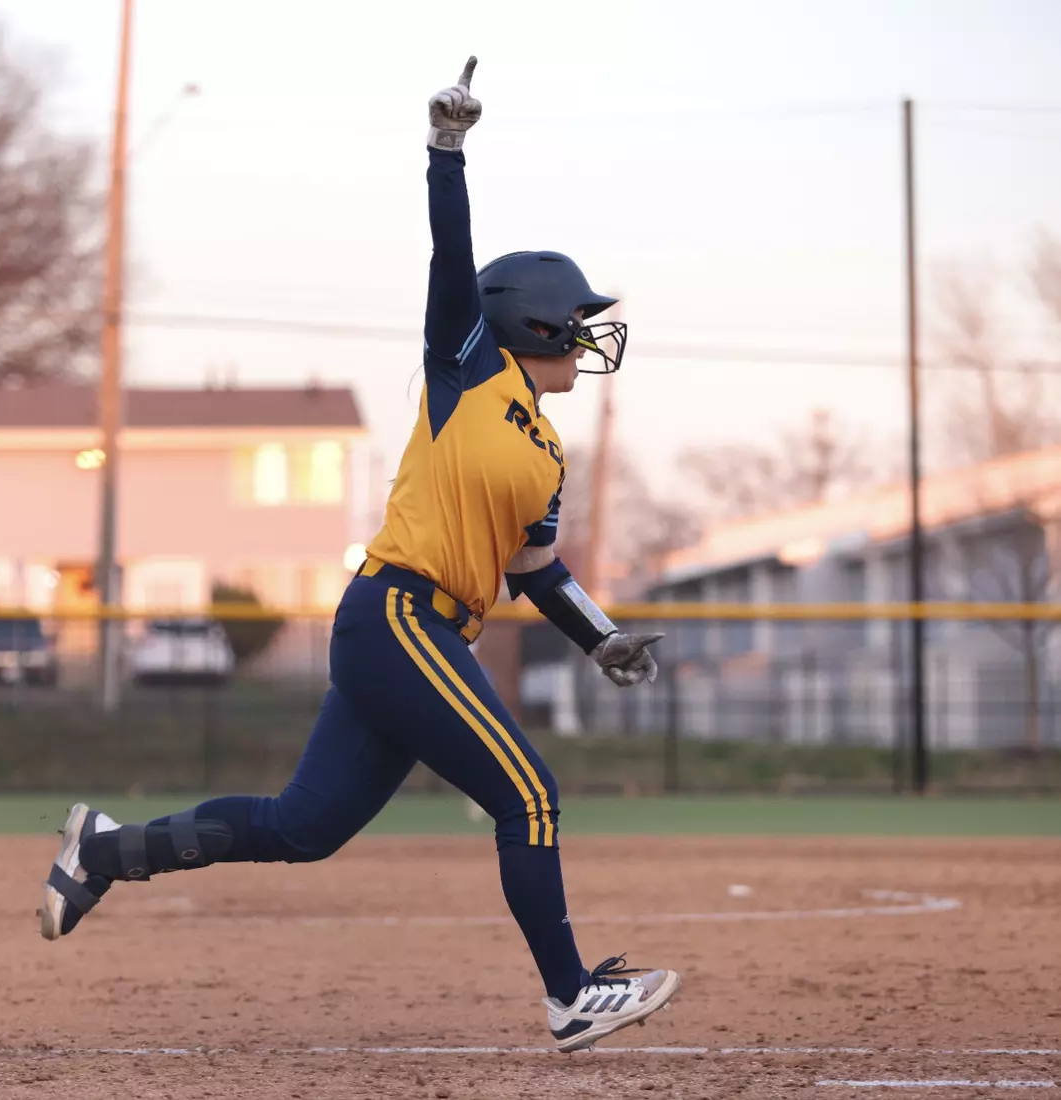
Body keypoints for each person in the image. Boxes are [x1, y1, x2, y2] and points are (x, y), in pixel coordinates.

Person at [38, 58, 678, 1053]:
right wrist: (447, 151)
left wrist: (600, 640)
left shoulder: (549, 448)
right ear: (534, 322)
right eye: (580, 319)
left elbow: (534, 571)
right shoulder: (471, 368)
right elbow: (450, 256)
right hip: (398, 616)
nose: (591, 335)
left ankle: (107, 850)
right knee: (531, 794)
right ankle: (567, 996)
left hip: (413, 632)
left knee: (304, 827)